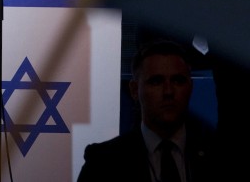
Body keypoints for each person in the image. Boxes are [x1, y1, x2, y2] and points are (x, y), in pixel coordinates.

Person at [77, 40, 215, 182]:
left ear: (190, 87)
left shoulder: (218, 156)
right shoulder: (103, 162)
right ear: (134, 90)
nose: (168, 91)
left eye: (178, 81)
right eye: (156, 81)